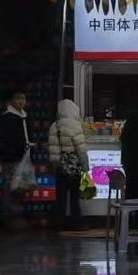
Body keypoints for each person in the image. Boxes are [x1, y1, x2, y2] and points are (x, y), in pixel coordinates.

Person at [47, 96, 91, 230]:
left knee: (60, 197)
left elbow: (52, 149)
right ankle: (76, 223)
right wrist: (85, 166)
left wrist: (55, 163)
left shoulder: (54, 126)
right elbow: (81, 149)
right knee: (74, 197)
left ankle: (59, 224)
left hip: (60, 166)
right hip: (74, 166)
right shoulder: (76, 126)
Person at [0, 89, 35, 228]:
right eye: (18, 98)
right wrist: (9, 153)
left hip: (25, 158)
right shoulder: (6, 118)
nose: (21, 101)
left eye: (23, 98)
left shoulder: (26, 117)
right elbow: (2, 140)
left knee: (22, 187)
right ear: (11, 100)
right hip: (12, 158)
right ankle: (9, 217)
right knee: (10, 186)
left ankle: (18, 215)